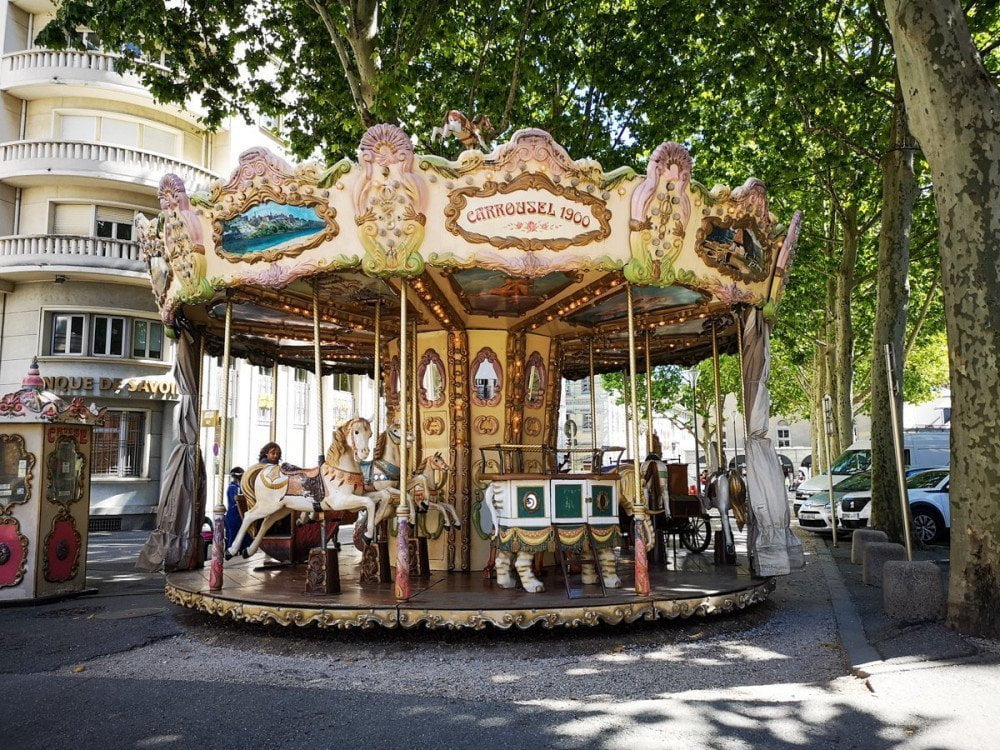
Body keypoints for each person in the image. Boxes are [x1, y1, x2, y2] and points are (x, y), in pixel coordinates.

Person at [224, 466, 249, 554]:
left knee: (244, 538)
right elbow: (236, 500)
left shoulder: (239, 487)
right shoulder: (233, 487)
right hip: (235, 516)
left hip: (238, 515)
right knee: (233, 538)